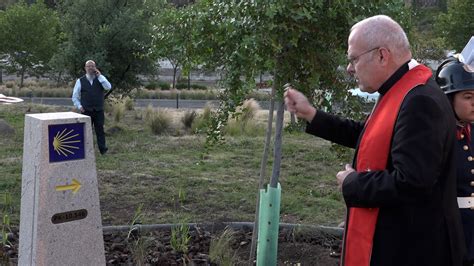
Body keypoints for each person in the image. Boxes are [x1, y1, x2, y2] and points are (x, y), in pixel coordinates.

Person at [284, 15, 464, 266]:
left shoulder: (419, 101)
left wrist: (353, 183)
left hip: (412, 250)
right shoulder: (403, 88)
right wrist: (311, 114)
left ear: (382, 55)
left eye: (353, 59)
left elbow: (413, 183)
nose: (349, 68)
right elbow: (371, 136)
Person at [436, 57, 474, 266]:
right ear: (448, 99)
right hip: (449, 229)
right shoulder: (437, 136)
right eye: (468, 96)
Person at [72, 60, 111, 155]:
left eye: (92, 66)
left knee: (100, 130)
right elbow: (75, 96)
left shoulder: (101, 79)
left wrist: (100, 76)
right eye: (88, 66)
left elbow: (108, 87)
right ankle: (86, 151)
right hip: (86, 110)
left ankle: (103, 150)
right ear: (85, 68)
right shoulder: (80, 81)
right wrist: (79, 106)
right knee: (86, 131)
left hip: (98, 110)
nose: (90, 68)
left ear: (95, 67)